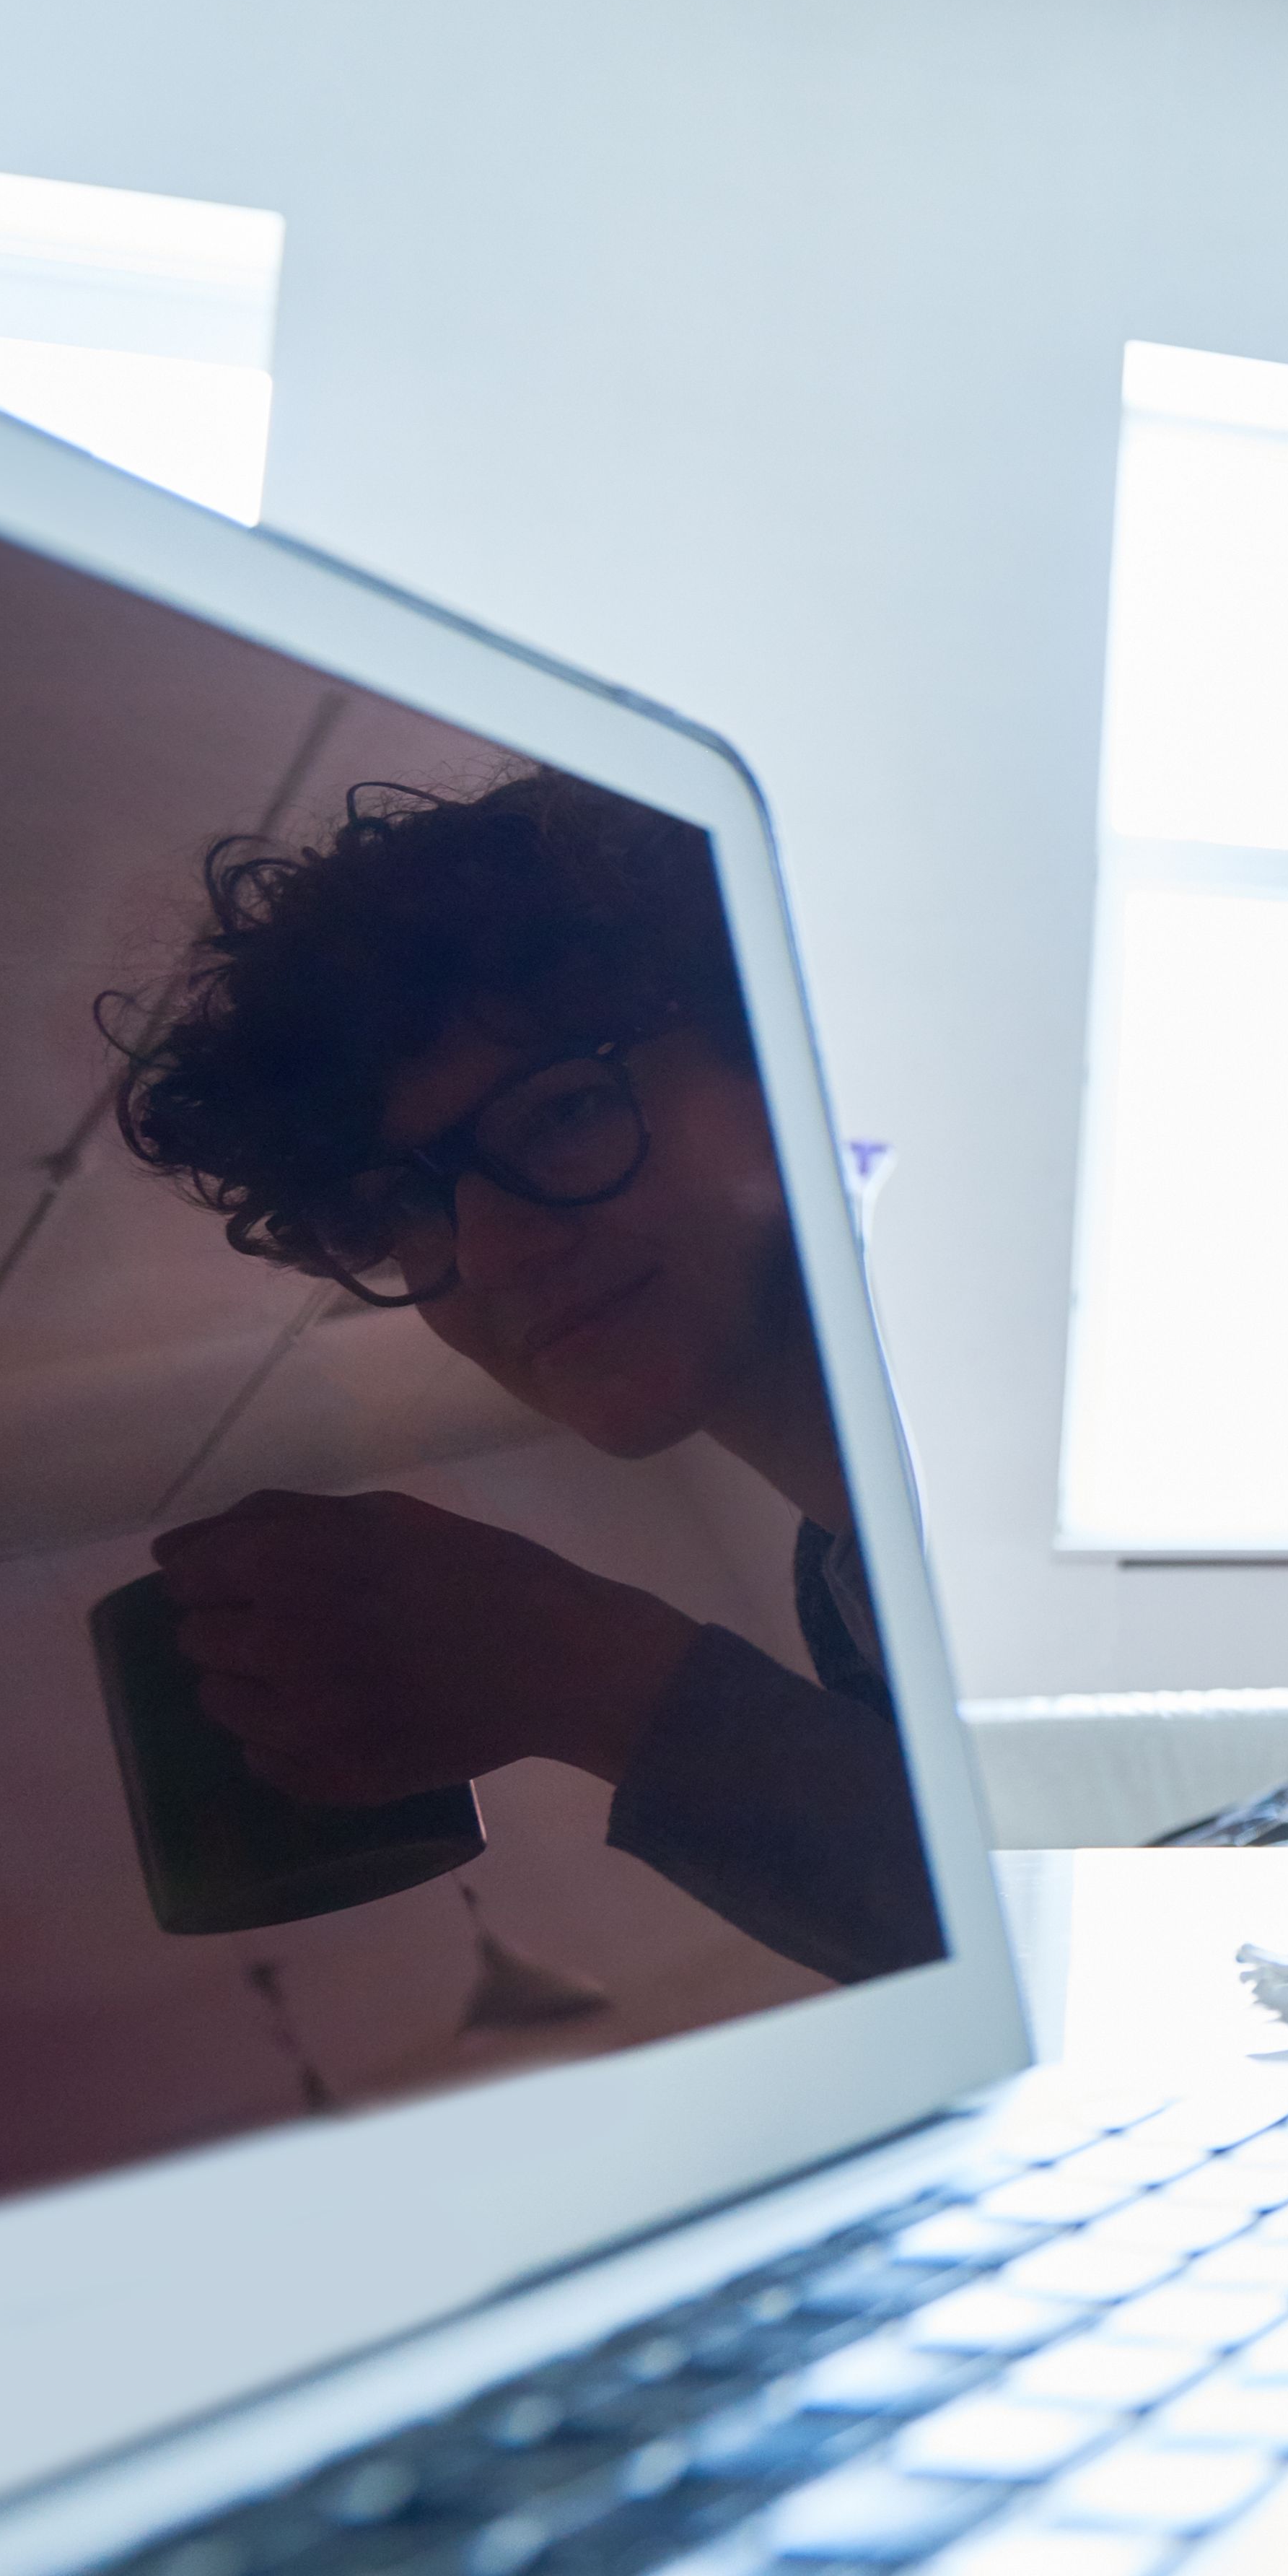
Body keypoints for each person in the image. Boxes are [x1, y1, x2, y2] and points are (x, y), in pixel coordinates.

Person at [108, 770, 942, 1983]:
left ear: (788, 1053)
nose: (492, 1249)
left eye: (560, 1115)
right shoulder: (847, 1598)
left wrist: (607, 1681)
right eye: (406, 1200)